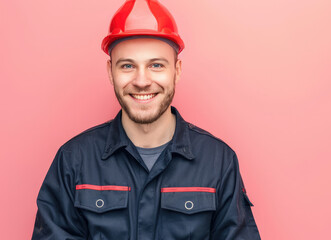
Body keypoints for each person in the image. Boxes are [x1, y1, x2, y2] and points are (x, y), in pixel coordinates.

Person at [31, 0, 261, 239]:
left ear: (177, 70)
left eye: (156, 65)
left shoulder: (219, 162)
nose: (142, 80)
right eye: (128, 65)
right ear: (110, 72)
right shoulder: (73, 161)